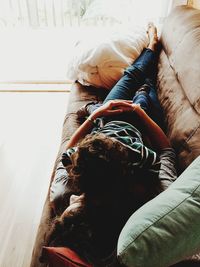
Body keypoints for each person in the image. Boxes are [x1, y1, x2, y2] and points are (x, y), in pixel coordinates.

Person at [48, 23, 177, 266]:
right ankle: (151, 54)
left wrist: (97, 117)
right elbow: (167, 151)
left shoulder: (64, 192)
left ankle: (149, 49)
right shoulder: (147, 186)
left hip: (106, 118)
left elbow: (68, 153)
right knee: (146, 86)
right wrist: (139, 113)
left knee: (131, 76)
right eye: (77, 206)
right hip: (143, 124)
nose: (71, 202)